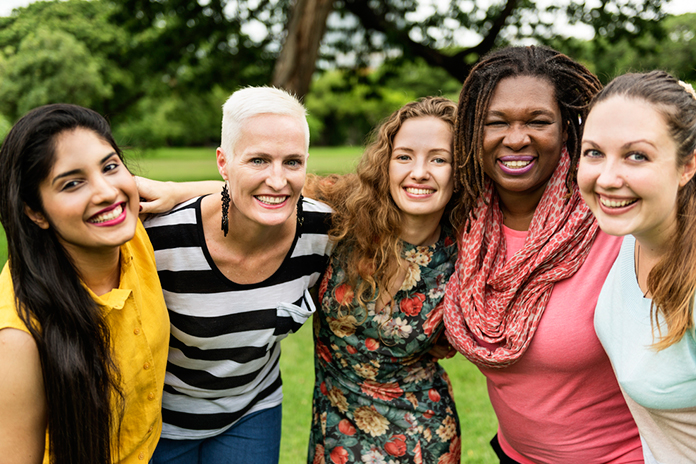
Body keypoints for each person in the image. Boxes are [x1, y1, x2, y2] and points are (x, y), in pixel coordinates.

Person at [442, 45, 645, 463]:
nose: (516, 139)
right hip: (515, 455)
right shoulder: (462, 221)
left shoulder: (615, 222)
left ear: (569, 128)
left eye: (538, 121)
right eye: (495, 123)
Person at [143, 86, 333, 464]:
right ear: (223, 162)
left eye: (292, 162)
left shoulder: (322, 233)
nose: (278, 180)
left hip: (253, 411)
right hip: (160, 422)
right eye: (258, 160)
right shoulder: (161, 239)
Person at [0, 103, 170, 464]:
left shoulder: (131, 228)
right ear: (35, 212)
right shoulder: (17, 338)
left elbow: (243, 193)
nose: (106, 192)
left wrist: (174, 190)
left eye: (110, 166)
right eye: (72, 183)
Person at [305, 97, 464, 464]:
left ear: (461, 172)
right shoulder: (345, 211)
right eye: (404, 156)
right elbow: (265, 193)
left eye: (439, 159)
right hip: (334, 428)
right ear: (386, 164)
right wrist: (174, 191)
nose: (419, 172)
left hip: (422, 432)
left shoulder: (466, 251)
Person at [577, 71, 696, 463]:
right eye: (593, 152)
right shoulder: (630, 235)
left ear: (687, 167)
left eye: (637, 155)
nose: (607, 179)